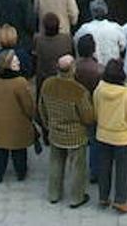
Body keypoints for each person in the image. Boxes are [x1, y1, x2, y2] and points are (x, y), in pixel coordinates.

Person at [39, 54, 95, 208]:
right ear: (73, 69)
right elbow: (88, 117)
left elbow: (41, 108)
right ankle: (77, 197)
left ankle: (53, 194)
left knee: (56, 163)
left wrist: (48, 125)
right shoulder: (79, 91)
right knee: (77, 167)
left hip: (55, 132)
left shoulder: (47, 84)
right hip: (75, 136)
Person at [93, 58, 127, 213]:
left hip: (103, 134)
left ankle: (103, 197)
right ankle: (120, 200)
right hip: (123, 138)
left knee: (104, 167)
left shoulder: (99, 90)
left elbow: (96, 112)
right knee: (123, 170)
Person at [0, 49, 36, 183]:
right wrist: (32, 115)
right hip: (16, 122)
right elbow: (28, 105)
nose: (18, 62)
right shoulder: (19, 82)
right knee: (18, 150)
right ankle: (21, 172)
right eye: (15, 61)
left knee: (0, 150)